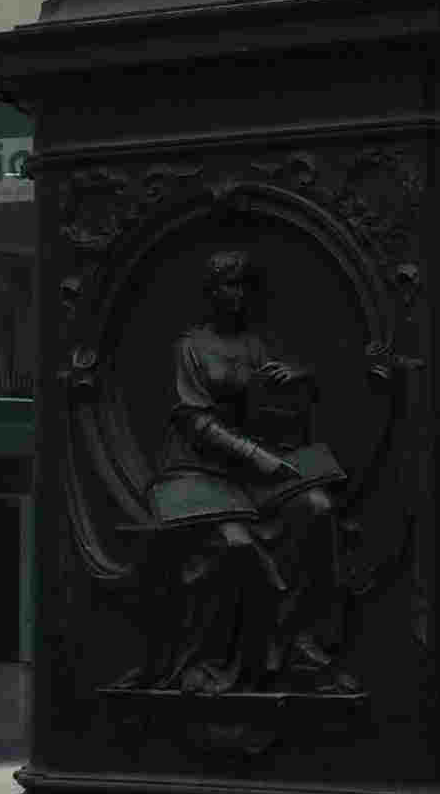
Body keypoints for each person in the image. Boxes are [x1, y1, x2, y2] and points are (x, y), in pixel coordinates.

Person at [133, 249, 351, 692]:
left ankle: (292, 643)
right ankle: (208, 662)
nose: (237, 295)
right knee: (234, 545)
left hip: (251, 475)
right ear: (210, 293)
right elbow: (194, 422)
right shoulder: (189, 348)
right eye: (228, 286)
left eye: (244, 285)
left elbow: (276, 402)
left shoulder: (256, 344)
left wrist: (297, 377)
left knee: (317, 508)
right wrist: (255, 455)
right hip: (198, 473)